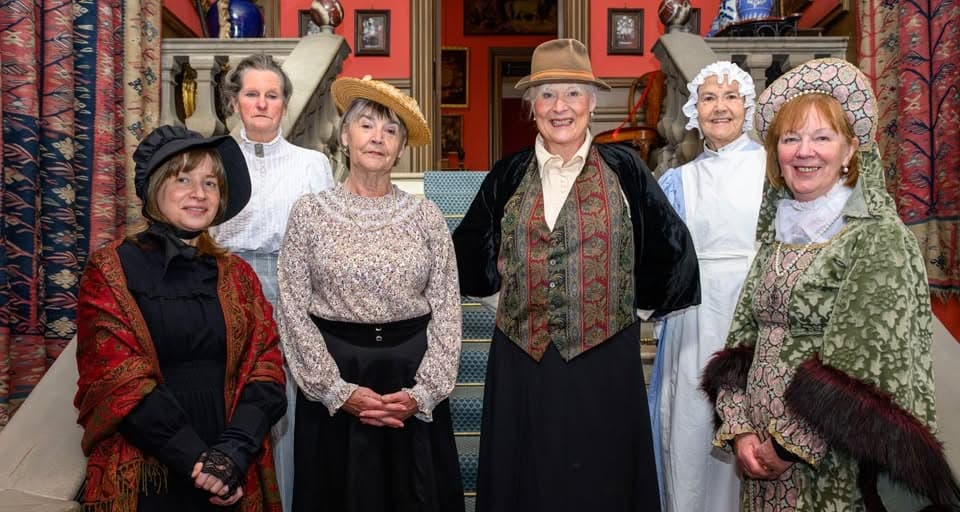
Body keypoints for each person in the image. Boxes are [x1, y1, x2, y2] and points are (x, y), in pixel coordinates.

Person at [452, 38, 700, 512]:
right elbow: (468, 252)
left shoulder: (626, 168)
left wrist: (627, 306)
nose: (559, 107)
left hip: (604, 360)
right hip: (523, 360)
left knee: (602, 483)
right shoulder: (509, 174)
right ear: (531, 108)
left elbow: (671, 248)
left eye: (571, 93)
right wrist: (508, 303)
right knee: (525, 480)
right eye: (546, 95)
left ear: (591, 102)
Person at [701, 58, 960, 511]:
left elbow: (864, 368)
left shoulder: (876, 236)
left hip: (830, 468)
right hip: (760, 460)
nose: (804, 151)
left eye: (823, 137)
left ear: (850, 149)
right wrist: (740, 428)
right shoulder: (778, 232)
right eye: (790, 138)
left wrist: (784, 447)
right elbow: (742, 338)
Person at [75, 125, 287, 511]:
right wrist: (200, 461)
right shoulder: (111, 269)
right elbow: (118, 381)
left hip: (233, 463)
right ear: (155, 188)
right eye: (183, 179)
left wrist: (232, 454)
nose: (199, 193)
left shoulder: (238, 274)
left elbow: (267, 368)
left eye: (210, 183)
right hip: (149, 467)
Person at [277, 76, 464, 512]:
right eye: (366, 125)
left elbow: (448, 309)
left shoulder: (427, 215)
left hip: (410, 380)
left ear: (401, 149)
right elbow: (292, 308)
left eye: (391, 130)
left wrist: (424, 392)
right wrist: (336, 391)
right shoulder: (309, 213)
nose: (378, 137)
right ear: (344, 136)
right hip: (338, 376)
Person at [213, 53, 335, 512]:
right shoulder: (214, 159)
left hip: (293, 288)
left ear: (285, 103)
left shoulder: (312, 163)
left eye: (272, 95)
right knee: (232, 393)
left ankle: (284, 500)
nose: (262, 104)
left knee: (286, 399)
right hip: (227, 286)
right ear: (234, 101)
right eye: (251, 94)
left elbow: (323, 238)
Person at [646, 61, 763, 512]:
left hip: (755, 310)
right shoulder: (678, 181)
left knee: (756, 427)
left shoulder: (774, 171)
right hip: (693, 316)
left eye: (730, 96)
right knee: (693, 426)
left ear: (746, 106)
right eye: (709, 98)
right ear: (695, 110)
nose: (720, 107)